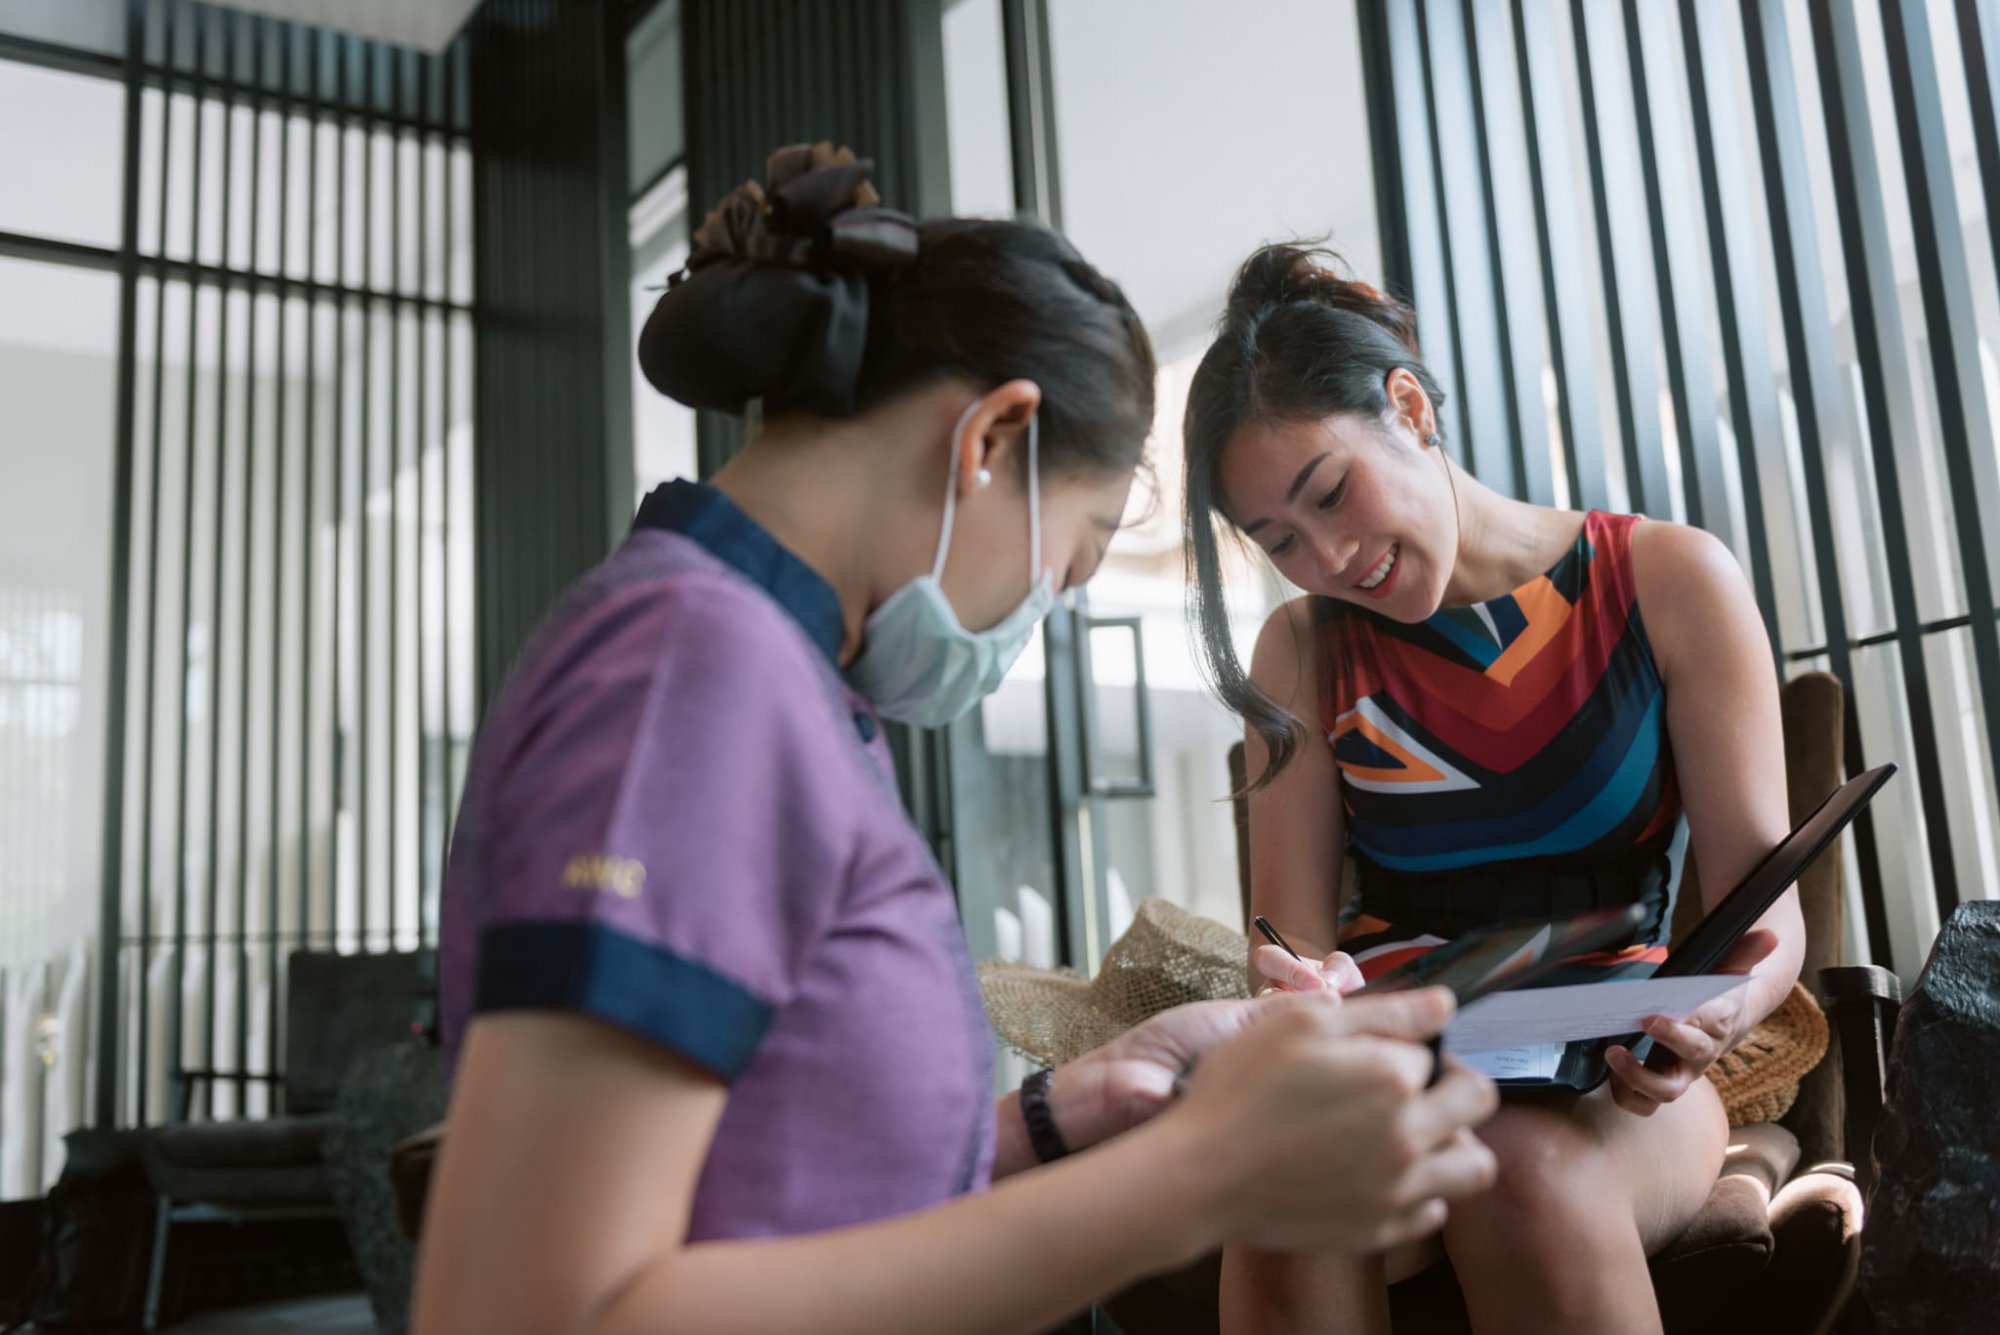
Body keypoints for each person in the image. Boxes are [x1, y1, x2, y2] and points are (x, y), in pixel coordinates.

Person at [409, 147, 1499, 1335]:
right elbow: (536, 1305)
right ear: (990, 440)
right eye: (1069, 559)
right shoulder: (687, 682)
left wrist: (1059, 1117)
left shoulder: (770, 678)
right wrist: (1198, 1179)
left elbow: (774, 1200)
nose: (1029, 617)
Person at [1181, 244, 1803, 1335]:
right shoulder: (1301, 651)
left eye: (1330, 492)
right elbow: (1282, 929)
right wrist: (1298, 976)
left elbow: (1765, 919)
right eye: (1279, 540)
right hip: (1390, 1062)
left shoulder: (1660, 581)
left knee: (1518, 1170)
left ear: (1409, 407)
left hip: (1607, 1067)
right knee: (1284, 1201)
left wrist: (1715, 1013)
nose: (1329, 556)